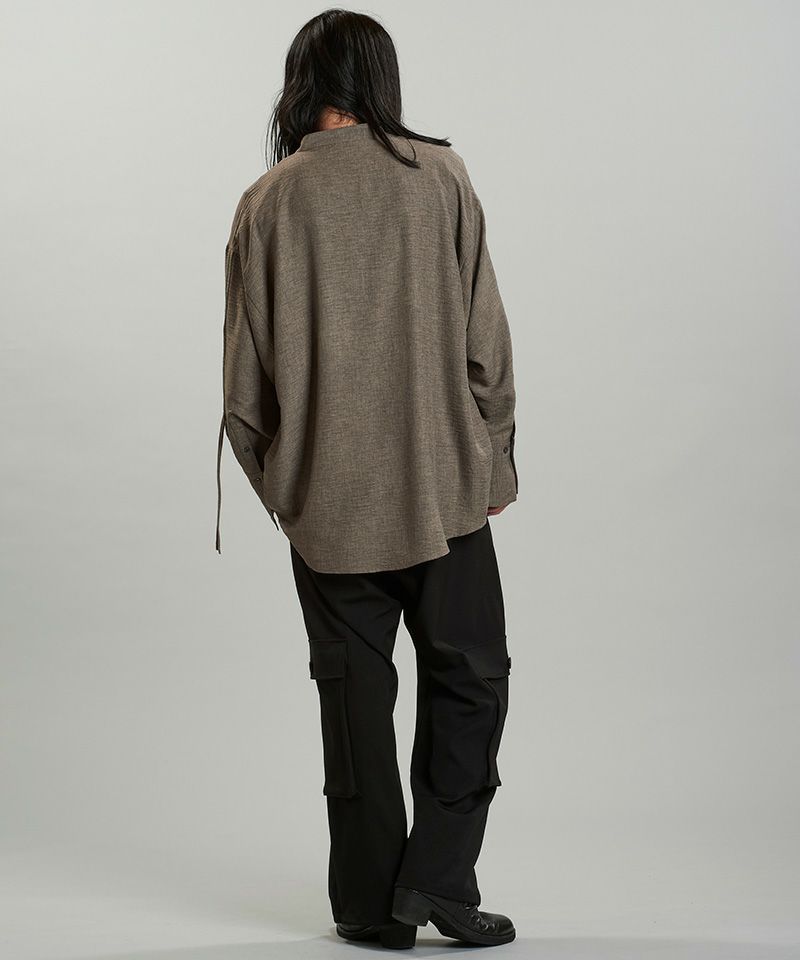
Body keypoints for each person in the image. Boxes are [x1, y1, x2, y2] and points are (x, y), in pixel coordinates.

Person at [215, 8, 518, 950]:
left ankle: (371, 908)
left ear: (302, 84)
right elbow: (487, 346)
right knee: (472, 682)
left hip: (330, 512)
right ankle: (440, 881)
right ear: (380, 79)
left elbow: (243, 397)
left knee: (352, 707)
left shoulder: (267, 200)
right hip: (447, 494)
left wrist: (291, 494)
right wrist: (495, 460)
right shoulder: (441, 176)